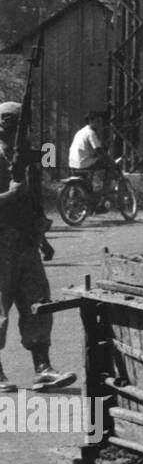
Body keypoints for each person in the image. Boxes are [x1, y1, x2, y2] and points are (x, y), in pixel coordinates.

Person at [0, 101, 76, 393]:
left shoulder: (27, 159)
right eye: (17, 125)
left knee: (38, 305)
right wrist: (9, 195)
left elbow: (32, 203)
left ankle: (42, 369)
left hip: (26, 244)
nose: (24, 132)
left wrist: (42, 238)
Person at [69, 112, 115, 197]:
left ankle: (92, 188)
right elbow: (98, 150)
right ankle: (104, 192)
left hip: (73, 163)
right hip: (84, 163)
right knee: (110, 166)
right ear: (90, 121)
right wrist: (109, 160)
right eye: (97, 121)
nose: (99, 124)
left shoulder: (80, 132)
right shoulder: (91, 133)